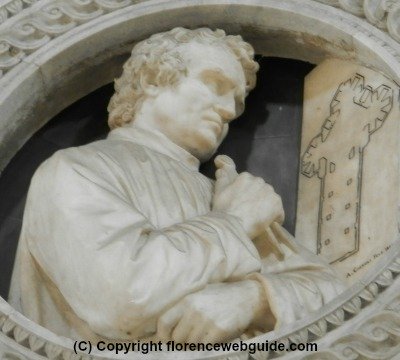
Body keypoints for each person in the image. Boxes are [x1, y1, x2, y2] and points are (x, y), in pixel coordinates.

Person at [9, 27, 344, 344]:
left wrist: (255, 298)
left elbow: (335, 297)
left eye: (238, 101)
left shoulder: (224, 192)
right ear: (153, 79)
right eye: (215, 84)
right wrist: (235, 224)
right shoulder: (77, 170)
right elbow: (124, 298)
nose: (229, 111)